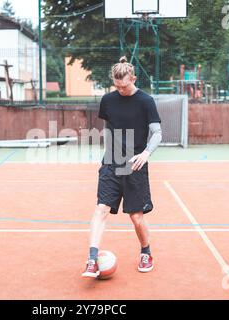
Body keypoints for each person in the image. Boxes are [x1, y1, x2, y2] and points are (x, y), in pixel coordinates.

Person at [82, 56, 162, 278]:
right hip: (111, 164)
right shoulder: (108, 100)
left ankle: (146, 252)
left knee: (136, 217)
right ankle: (91, 259)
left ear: (133, 78)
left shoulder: (146, 101)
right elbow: (111, 126)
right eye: (116, 86)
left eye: (124, 85)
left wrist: (146, 153)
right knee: (101, 209)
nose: (120, 90)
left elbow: (157, 133)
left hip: (134, 166)